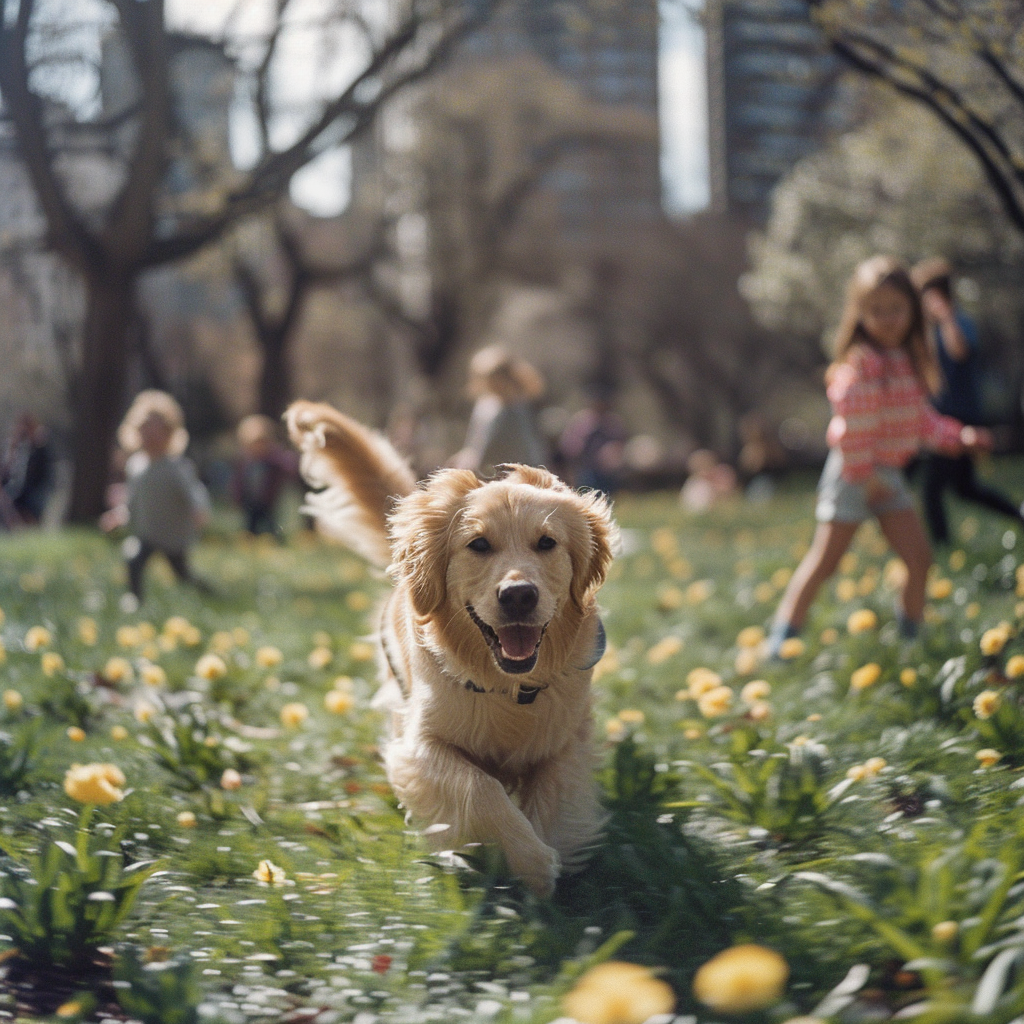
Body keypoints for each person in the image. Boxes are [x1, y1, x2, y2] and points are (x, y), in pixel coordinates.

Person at [768, 256, 991, 654]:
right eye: (876, 311)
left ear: (913, 310)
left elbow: (921, 422)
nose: (887, 319)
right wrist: (864, 475)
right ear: (860, 314)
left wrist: (960, 436)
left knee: (919, 560)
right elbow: (852, 427)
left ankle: (910, 644)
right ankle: (782, 639)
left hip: (886, 475)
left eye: (896, 309)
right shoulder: (860, 365)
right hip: (854, 475)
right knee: (825, 562)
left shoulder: (909, 362)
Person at [910, 258, 1024, 545]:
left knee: (933, 489)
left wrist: (946, 316)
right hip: (942, 418)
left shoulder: (959, 323)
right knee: (964, 488)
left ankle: (942, 549)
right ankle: (1019, 515)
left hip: (961, 417)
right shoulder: (929, 331)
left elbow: (959, 352)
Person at [101, 390, 211, 604]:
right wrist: (119, 516)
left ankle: (209, 595)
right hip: (146, 534)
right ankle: (135, 599)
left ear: (170, 433)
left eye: (155, 429)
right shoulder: (135, 466)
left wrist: (199, 510)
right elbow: (132, 502)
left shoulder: (176, 467)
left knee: (182, 575)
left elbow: (194, 493)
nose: (149, 435)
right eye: (144, 429)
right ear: (134, 432)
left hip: (173, 535)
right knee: (133, 558)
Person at [451, 344, 547, 476]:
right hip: (490, 472)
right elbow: (476, 443)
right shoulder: (484, 406)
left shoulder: (516, 409)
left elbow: (526, 449)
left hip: (517, 472)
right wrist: (466, 456)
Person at [230, 414, 296, 537]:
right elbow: (238, 481)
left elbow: (288, 465)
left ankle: (274, 537)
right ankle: (250, 537)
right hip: (250, 500)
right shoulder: (245, 463)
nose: (258, 448)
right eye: (254, 444)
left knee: (270, 521)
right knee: (251, 522)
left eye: (262, 443)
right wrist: (237, 497)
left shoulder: (274, 461)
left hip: (268, 500)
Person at [558, 385, 627, 494]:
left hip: (608, 469)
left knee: (608, 495)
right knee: (588, 494)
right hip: (586, 468)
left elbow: (620, 443)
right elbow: (569, 445)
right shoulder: (583, 421)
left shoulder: (612, 422)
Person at [1, 412, 54, 527]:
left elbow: (39, 474)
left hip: (34, 490)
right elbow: (8, 471)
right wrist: (14, 445)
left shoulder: (39, 446)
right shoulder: (20, 447)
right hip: (20, 489)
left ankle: (18, 527)